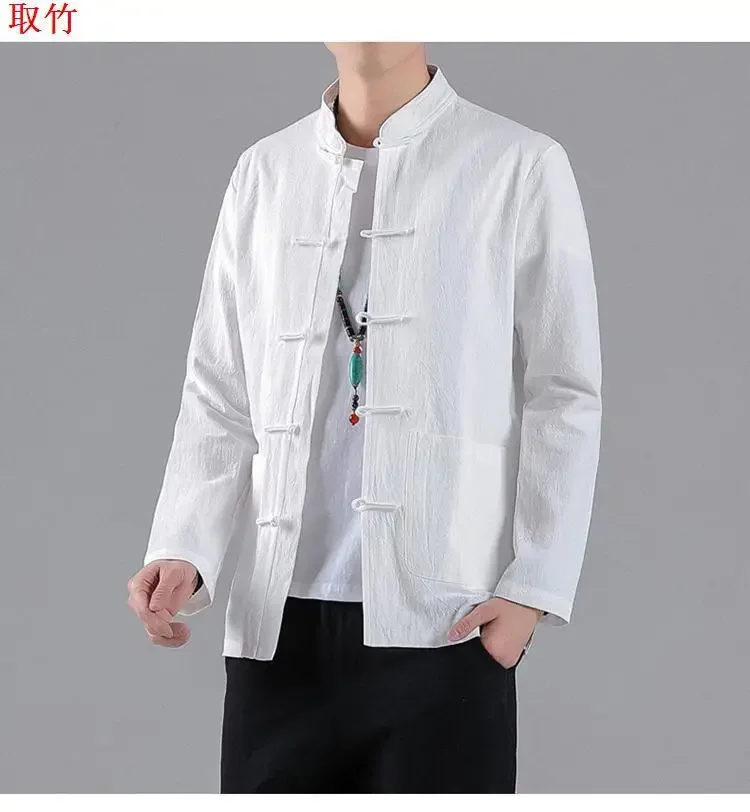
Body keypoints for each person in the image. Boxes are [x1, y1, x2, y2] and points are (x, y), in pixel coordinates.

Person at [127, 42, 602, 793]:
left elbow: (565, 389)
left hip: (444, 621)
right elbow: (219, 388)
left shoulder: (517, 164)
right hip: (278, 629)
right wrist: (186, 546)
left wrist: (534, 589)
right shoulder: (265, 170)